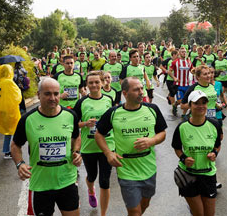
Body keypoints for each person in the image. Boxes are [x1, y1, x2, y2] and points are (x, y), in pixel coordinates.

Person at [95, 77, 167, 216]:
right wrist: (108, 153)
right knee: (134, 211)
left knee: (144, 204)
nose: (141, 92)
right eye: (136, 89)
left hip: (149, 168)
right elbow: (99, 134)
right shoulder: (114, 113)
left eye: (141, 88)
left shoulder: (152, 109)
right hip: (126, 170)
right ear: (125, 93)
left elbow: (162, 133)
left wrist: (151, 141)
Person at [11, 78, 82, 216]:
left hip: (67, 181)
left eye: (56, 94)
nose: (53, 98)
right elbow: (15, 145)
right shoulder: (28, 119)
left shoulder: (70, 116)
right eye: (47, 94)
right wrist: (20, 164)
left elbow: (76, 136)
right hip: (41, 185)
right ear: (38, 95)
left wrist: (77, 152)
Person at [172, 90, 222, 216]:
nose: (201, 106)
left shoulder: (214, 124)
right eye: (196, 103)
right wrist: (184, 158)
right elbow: (177, 148)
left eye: (204, 103)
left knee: (209, 214)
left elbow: (217, 145)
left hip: (208, 175)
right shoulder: (182, 127)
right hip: (189, 176)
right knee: (199, 214)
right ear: (190, 106)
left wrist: (214, 153)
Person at [73, 71, 114, 215]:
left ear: (102, 83)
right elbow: (73, 125)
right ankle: (90, 189)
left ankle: (103, 213)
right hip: (88, 147)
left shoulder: (109, 100)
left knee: (104, 181)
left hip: (107, 146)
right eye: (91, 83)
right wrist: (85, 124)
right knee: (92, 176)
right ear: (87, 85)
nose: (94, 85)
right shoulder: (82, 102)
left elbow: (115, 121)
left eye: (97, 82)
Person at [0, 64, 22, 159]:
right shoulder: (8, 82)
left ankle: (7, 150)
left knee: (8, 132)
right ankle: (9, 151)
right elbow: (17, 96)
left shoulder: (0, 82)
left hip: (2, 110)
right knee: (12, 130)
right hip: (10, 110)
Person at [168, 47, 193, 119]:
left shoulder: (189, 62)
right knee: (180, 101)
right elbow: (169, 71)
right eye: (182, 52)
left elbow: (192, 70)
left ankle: (184, 114)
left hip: (187, 85)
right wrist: (174, 78)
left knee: (186, 102)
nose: (184, 53)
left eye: (185, 52)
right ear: (179, 53)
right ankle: (175, 105)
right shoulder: (175, 62)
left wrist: (195, 71)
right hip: (178, 85)